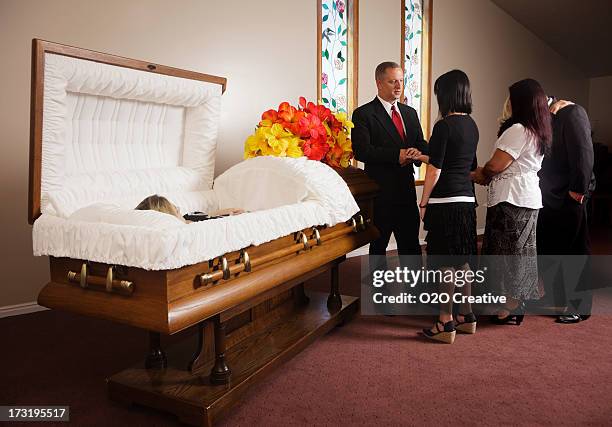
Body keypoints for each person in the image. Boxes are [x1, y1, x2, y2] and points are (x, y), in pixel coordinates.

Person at [472, 78, 552, 325]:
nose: (506, 103)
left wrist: (476, 174)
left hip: (512, 198)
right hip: (527, 196)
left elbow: (496, 165)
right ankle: (513, 301)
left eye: (510, 98)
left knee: (507, 253)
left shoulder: (518, 129)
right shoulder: (537, 129)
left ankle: (511, 305)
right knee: (521, 252)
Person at [413, 70, 479, 343]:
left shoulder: (443, 126)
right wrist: (425, 155)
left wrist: (424, 201)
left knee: (443, 264)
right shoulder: (471, 125)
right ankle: (467, 316)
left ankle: (445, 321)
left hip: (445, 203)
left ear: (447, 95)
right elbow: (468, 164)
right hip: (466, 202)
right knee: (462, 260)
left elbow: (435, 171)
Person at [351, 61, 428, 262]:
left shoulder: (410, 113)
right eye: (392, 81)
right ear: (379, 83)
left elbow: (420, 143)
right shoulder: (363, 114)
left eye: (401, 81)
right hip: (380, 194)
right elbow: (362, 151)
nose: (398, 86)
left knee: (411, 248)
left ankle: (414, 293)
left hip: (406, 191)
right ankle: (378, 294)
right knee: (378, 249)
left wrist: (418, 152)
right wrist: (397, 155)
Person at [537, 97, 595, 324]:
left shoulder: (573, 112)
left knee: (575, 249)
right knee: (550, 247)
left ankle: (579, 306)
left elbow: (584, 153)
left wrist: (577, 191)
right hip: (549, 195)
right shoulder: (547, 119)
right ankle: (554, 296)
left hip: (571, 195)